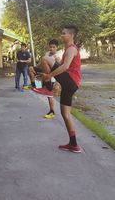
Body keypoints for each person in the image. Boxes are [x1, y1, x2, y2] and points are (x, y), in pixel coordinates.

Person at [34, 25, 82, 153]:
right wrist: (46, 74)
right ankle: (74, 144)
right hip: (71, 84)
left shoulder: (72, 49)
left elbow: (65, 67)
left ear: (71, 35)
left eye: (64, 33)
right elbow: (61, 66)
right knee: (65, 114)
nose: (61, 35)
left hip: (71, 81)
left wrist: (49, 76)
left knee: (45, 58)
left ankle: (47, 89)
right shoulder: (68, 49)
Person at [28, 39, 61, 119]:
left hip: (51, 76)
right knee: (30, 69)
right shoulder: (47, 54)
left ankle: (52, 111)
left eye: (53, 47)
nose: (52, 49)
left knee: (49, 95)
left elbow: (59, 70)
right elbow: (40, 64)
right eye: (50, 47)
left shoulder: (58, 57)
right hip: (44, 73)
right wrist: (35, 68)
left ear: (57, 48)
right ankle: (35, 86)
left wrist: (57, 82)